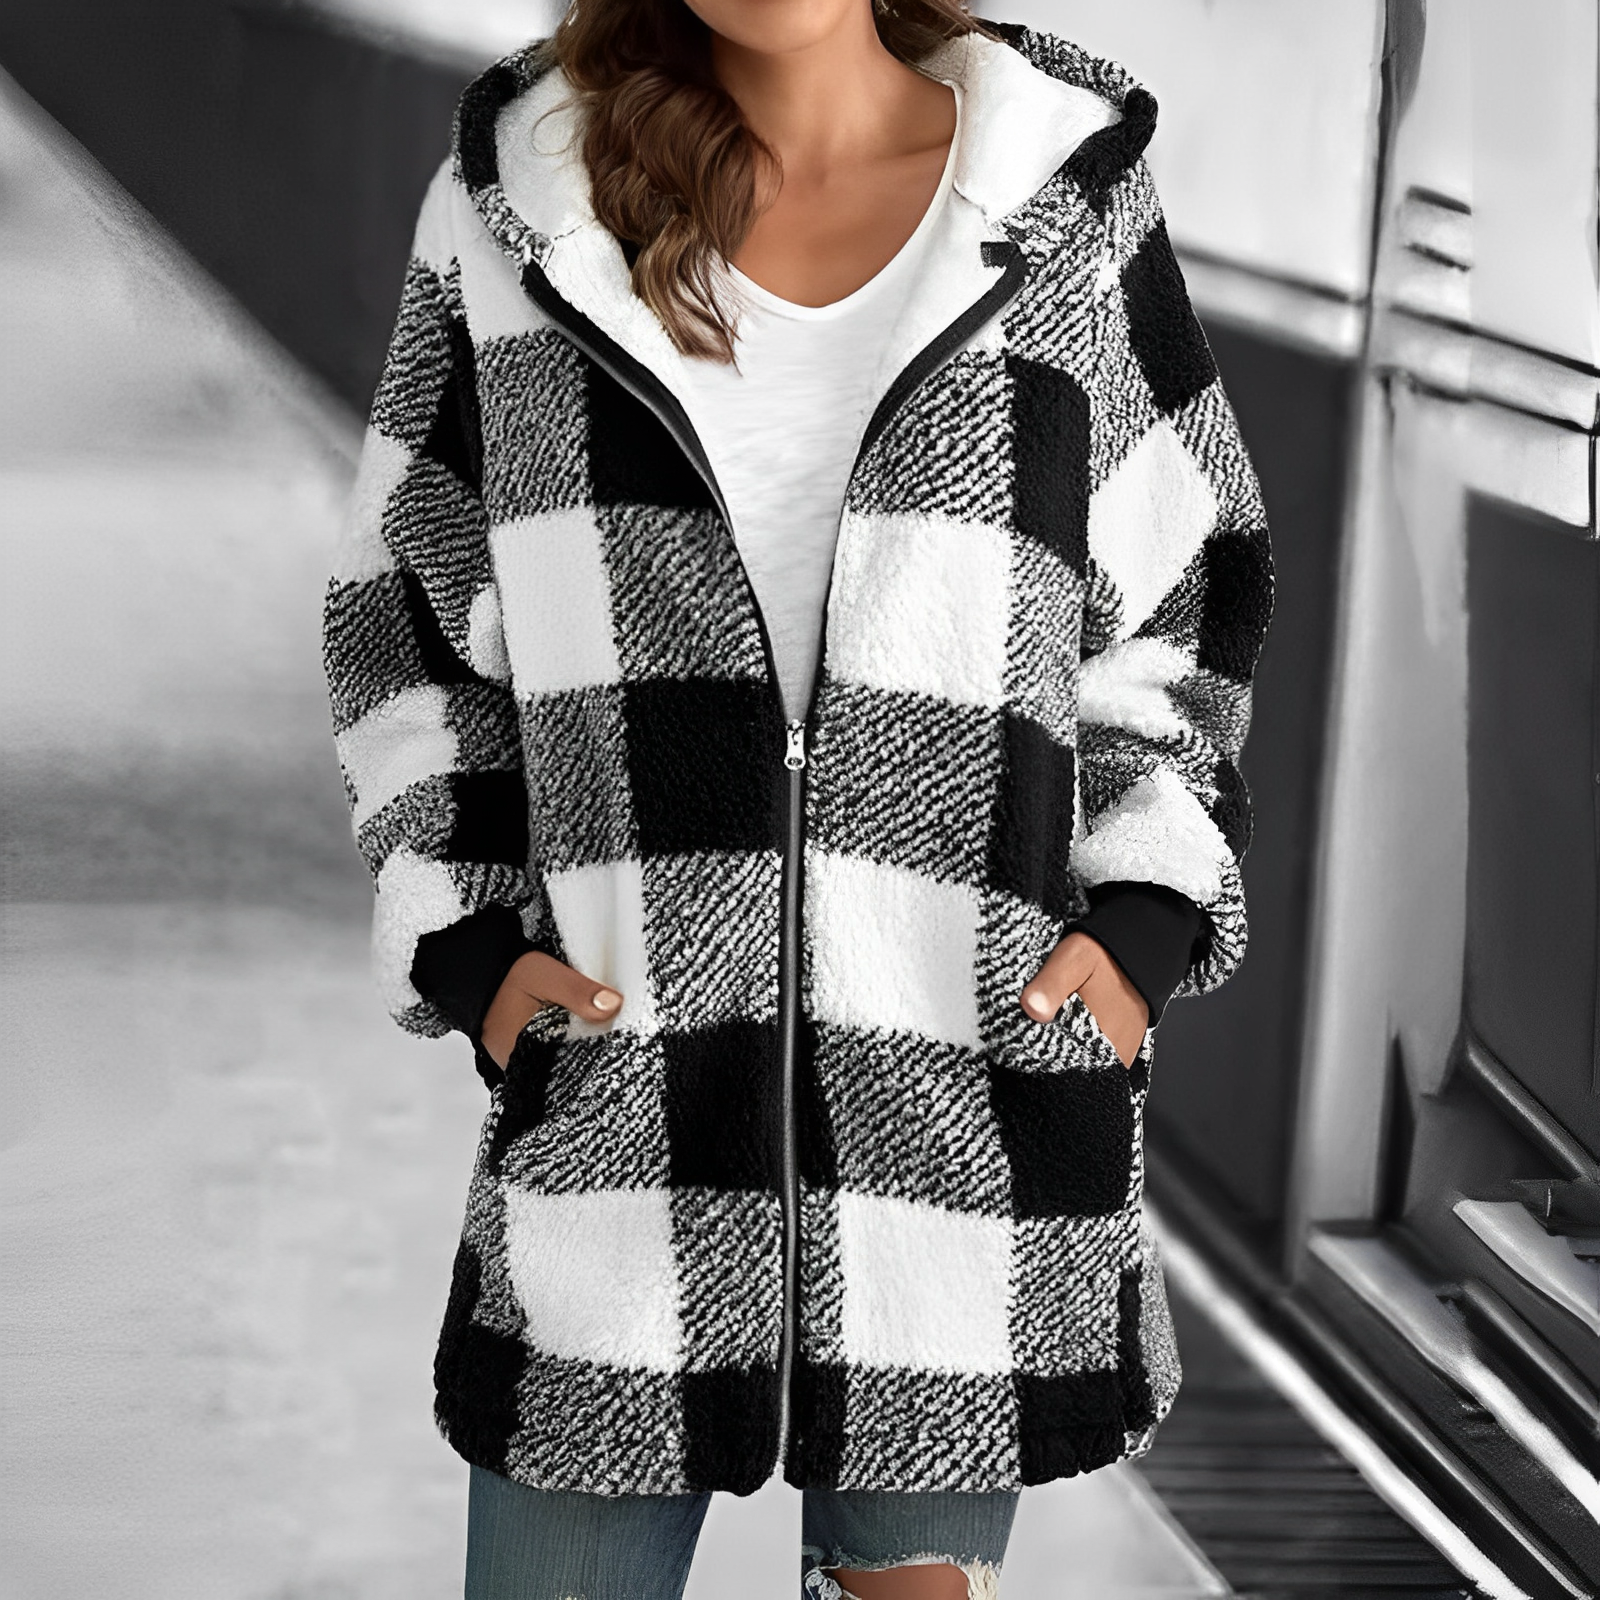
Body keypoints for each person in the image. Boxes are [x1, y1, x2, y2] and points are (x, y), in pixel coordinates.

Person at [321, 0, 1274, 1589]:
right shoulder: (522, 209)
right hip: (620, 1127)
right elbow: (406, 613)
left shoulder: (1059, 200)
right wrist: (470, 956)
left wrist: (1141, 924)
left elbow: (1178, 600)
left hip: (960, 1127)